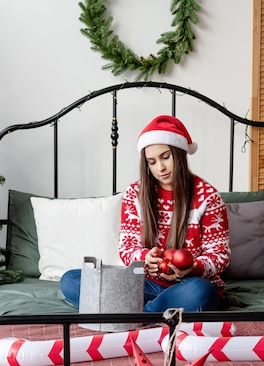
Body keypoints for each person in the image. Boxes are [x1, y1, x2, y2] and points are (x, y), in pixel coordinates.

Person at [60, 115, 230, 312]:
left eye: (166, 157)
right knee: (71, 279)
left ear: (181, 153)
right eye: (152, 162)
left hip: (188, 286)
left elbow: (220, 255)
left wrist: (193, 268)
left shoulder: (208, 196)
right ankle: (156, 312)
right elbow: (127, 248)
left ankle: (130, 314)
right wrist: (145, 258)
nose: (160, 168)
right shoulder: (135, 193)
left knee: (202, 292)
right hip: (144, 285)